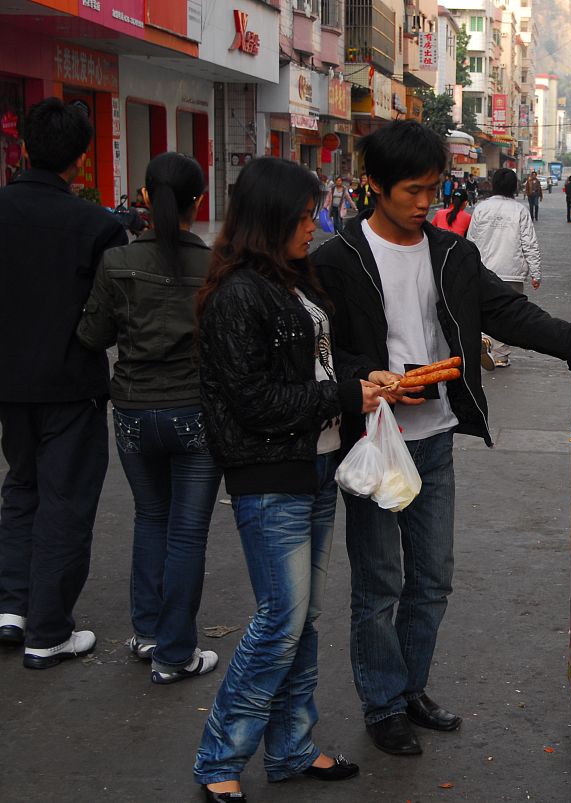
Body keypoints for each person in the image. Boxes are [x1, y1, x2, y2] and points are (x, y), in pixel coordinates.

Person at [311, 120, 571, 759]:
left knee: (433, 577)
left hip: (435, 435)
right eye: (411, 191)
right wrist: (368, 378)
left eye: (433, 189)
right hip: (372, 440)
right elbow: (322, 352)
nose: (425, 203)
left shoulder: (451, 252)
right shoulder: (337, 261)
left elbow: (506, 311)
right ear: (374, 185)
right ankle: (383, 704)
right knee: (379, 582)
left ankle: (411, 685)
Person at [193, 158, 380, 799]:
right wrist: (346, 394)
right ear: (271, 218)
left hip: (316, 464)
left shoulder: (290, 280)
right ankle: (219, 758)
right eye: (304, 216)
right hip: (269, 475)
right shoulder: (238, 294)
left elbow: (317, 363)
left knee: (304, 620)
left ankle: (292, 747)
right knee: (280, 618)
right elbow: (257, 402)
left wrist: (365, 378)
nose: (314, 225)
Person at [75, 152, 222, 684]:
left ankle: (149, 634)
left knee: (151, 518)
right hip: (195, 414)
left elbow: (93, 336)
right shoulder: (213, 267)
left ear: (142, 197)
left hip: (134, 411)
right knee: (186, 533)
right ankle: (175, 653)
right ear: (197, 202)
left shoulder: (118, 263)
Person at [0, 97, 126, 667]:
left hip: (9, 383)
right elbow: (112, 317)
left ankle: (11, 608)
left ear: (25, 147)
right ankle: (48, 630)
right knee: (65, 501)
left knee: (21, 487)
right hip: (71, 383)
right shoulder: (97, 226)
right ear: (80, 158)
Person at [467, 167, 543, 368]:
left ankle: (485, 339)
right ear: (514, 186)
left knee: (484, 310)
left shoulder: (481, 208)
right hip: (512, 271)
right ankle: (500, 355)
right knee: (508, 315)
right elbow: (529, 243)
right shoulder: (520, 210)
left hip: (484, 270)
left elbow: (471, 239)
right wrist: (535, 273)